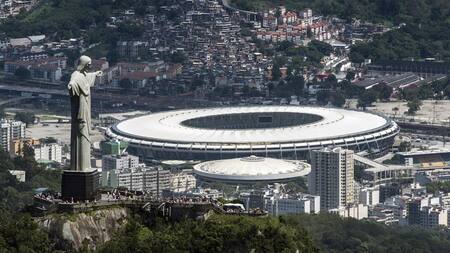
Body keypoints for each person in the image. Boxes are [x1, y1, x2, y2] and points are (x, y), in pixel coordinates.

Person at [68, 55, 102, 171]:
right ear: (83, 64)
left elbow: (87, 77)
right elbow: (73, 82)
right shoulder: (76, 75)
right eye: (88, 65)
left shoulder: (83, 74)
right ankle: (80, 167)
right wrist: (72, 85)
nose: (89, 67)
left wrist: (95, 74)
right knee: (80, 135)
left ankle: (85, 166)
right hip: (80, 109)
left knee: (85, 133)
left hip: (86, 107)